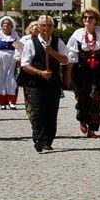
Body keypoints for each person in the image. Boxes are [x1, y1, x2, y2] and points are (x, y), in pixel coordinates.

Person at [65, 8, 100, 137]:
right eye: (85, 17)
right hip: (81, 72)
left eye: (90, 17)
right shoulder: (77, 34)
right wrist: (68, 75)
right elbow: (71, 56)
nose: (87, 19)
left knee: (96, 98)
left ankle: (92, 128)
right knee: (82, 97)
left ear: (96, 20)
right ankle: (82, 119)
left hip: (98, 71)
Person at [20, 15, 68, 153]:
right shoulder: (31, 43)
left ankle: (48, 140)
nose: (46, 28)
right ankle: (38, 138)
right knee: (38, 110)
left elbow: (65, 59)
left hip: (53, 83)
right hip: (36, 83)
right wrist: (40, 73)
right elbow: (25, 64)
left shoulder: (58, 42)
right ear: (39, 27)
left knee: (51, 111)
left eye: (49, 25)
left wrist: (51, 52)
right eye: (43, 25)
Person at [0, 16, 21, 110]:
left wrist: (18, 58)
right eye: (5, 23)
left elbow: (19, 48)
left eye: (9, 23)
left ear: (12, 26)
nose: (6, 25)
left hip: (12, 58)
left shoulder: (15, 35)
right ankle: (2, 101)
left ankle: (11, 101)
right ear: (2, 25)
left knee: (11, 78)